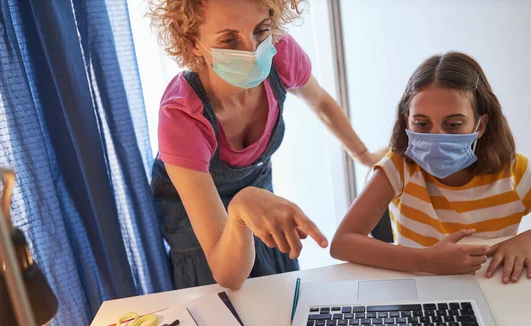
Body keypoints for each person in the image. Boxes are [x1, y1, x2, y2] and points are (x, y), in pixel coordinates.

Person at [149, 0, 384, 289]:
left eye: (261, 31)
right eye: (229, 40)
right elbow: (227, 273)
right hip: (197, 231)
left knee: (280, 299)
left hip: (256, 197)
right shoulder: (182, 117)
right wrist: (240, 208)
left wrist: (364, 155)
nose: (252, 51)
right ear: (192, 41)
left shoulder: (280, 53)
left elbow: (320, 102)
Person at [331, 52, 531, 284]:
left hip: (494, 291)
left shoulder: (514, 172)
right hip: (417, 292)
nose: (436, 136)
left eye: (453, 125)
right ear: (406, 121)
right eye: (422, 124)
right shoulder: (399, 167)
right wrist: (427, 261)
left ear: (480, 125)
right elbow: (343, 242)